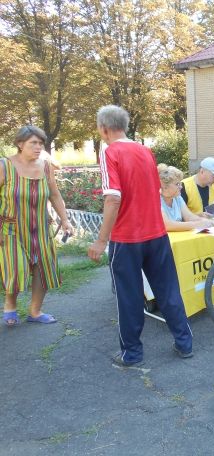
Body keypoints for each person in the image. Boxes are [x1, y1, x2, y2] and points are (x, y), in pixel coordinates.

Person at [88, 105, 193, 367]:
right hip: (156, 234)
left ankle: (132, 353)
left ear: (103, 128)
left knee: (129, 296)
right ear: (124, 125)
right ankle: (184, 343)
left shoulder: (110, 152)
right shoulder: (145, 151)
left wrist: (101, 240)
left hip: (127, 238)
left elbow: (113, 198)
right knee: (168, 290)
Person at [0, 126, 73, 326]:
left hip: (41, 228)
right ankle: (10, 305)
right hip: (11, 229)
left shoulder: (46, 166)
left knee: (43, 268)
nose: (38, 147)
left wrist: (65, 219)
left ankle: (35, 311)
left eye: (41, 143)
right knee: (16, 268)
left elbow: (54, 194)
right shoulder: (5, 166)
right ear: (20, 144)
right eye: (33, 143)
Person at [157, 164, 214, 231]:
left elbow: (189, 217)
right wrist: (197, 224)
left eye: (180, 183)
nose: (181, 187)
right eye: (177, 184)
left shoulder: (177, 198)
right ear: (165, 187)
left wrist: (208, 222)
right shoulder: (156, 200)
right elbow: (167, 225)